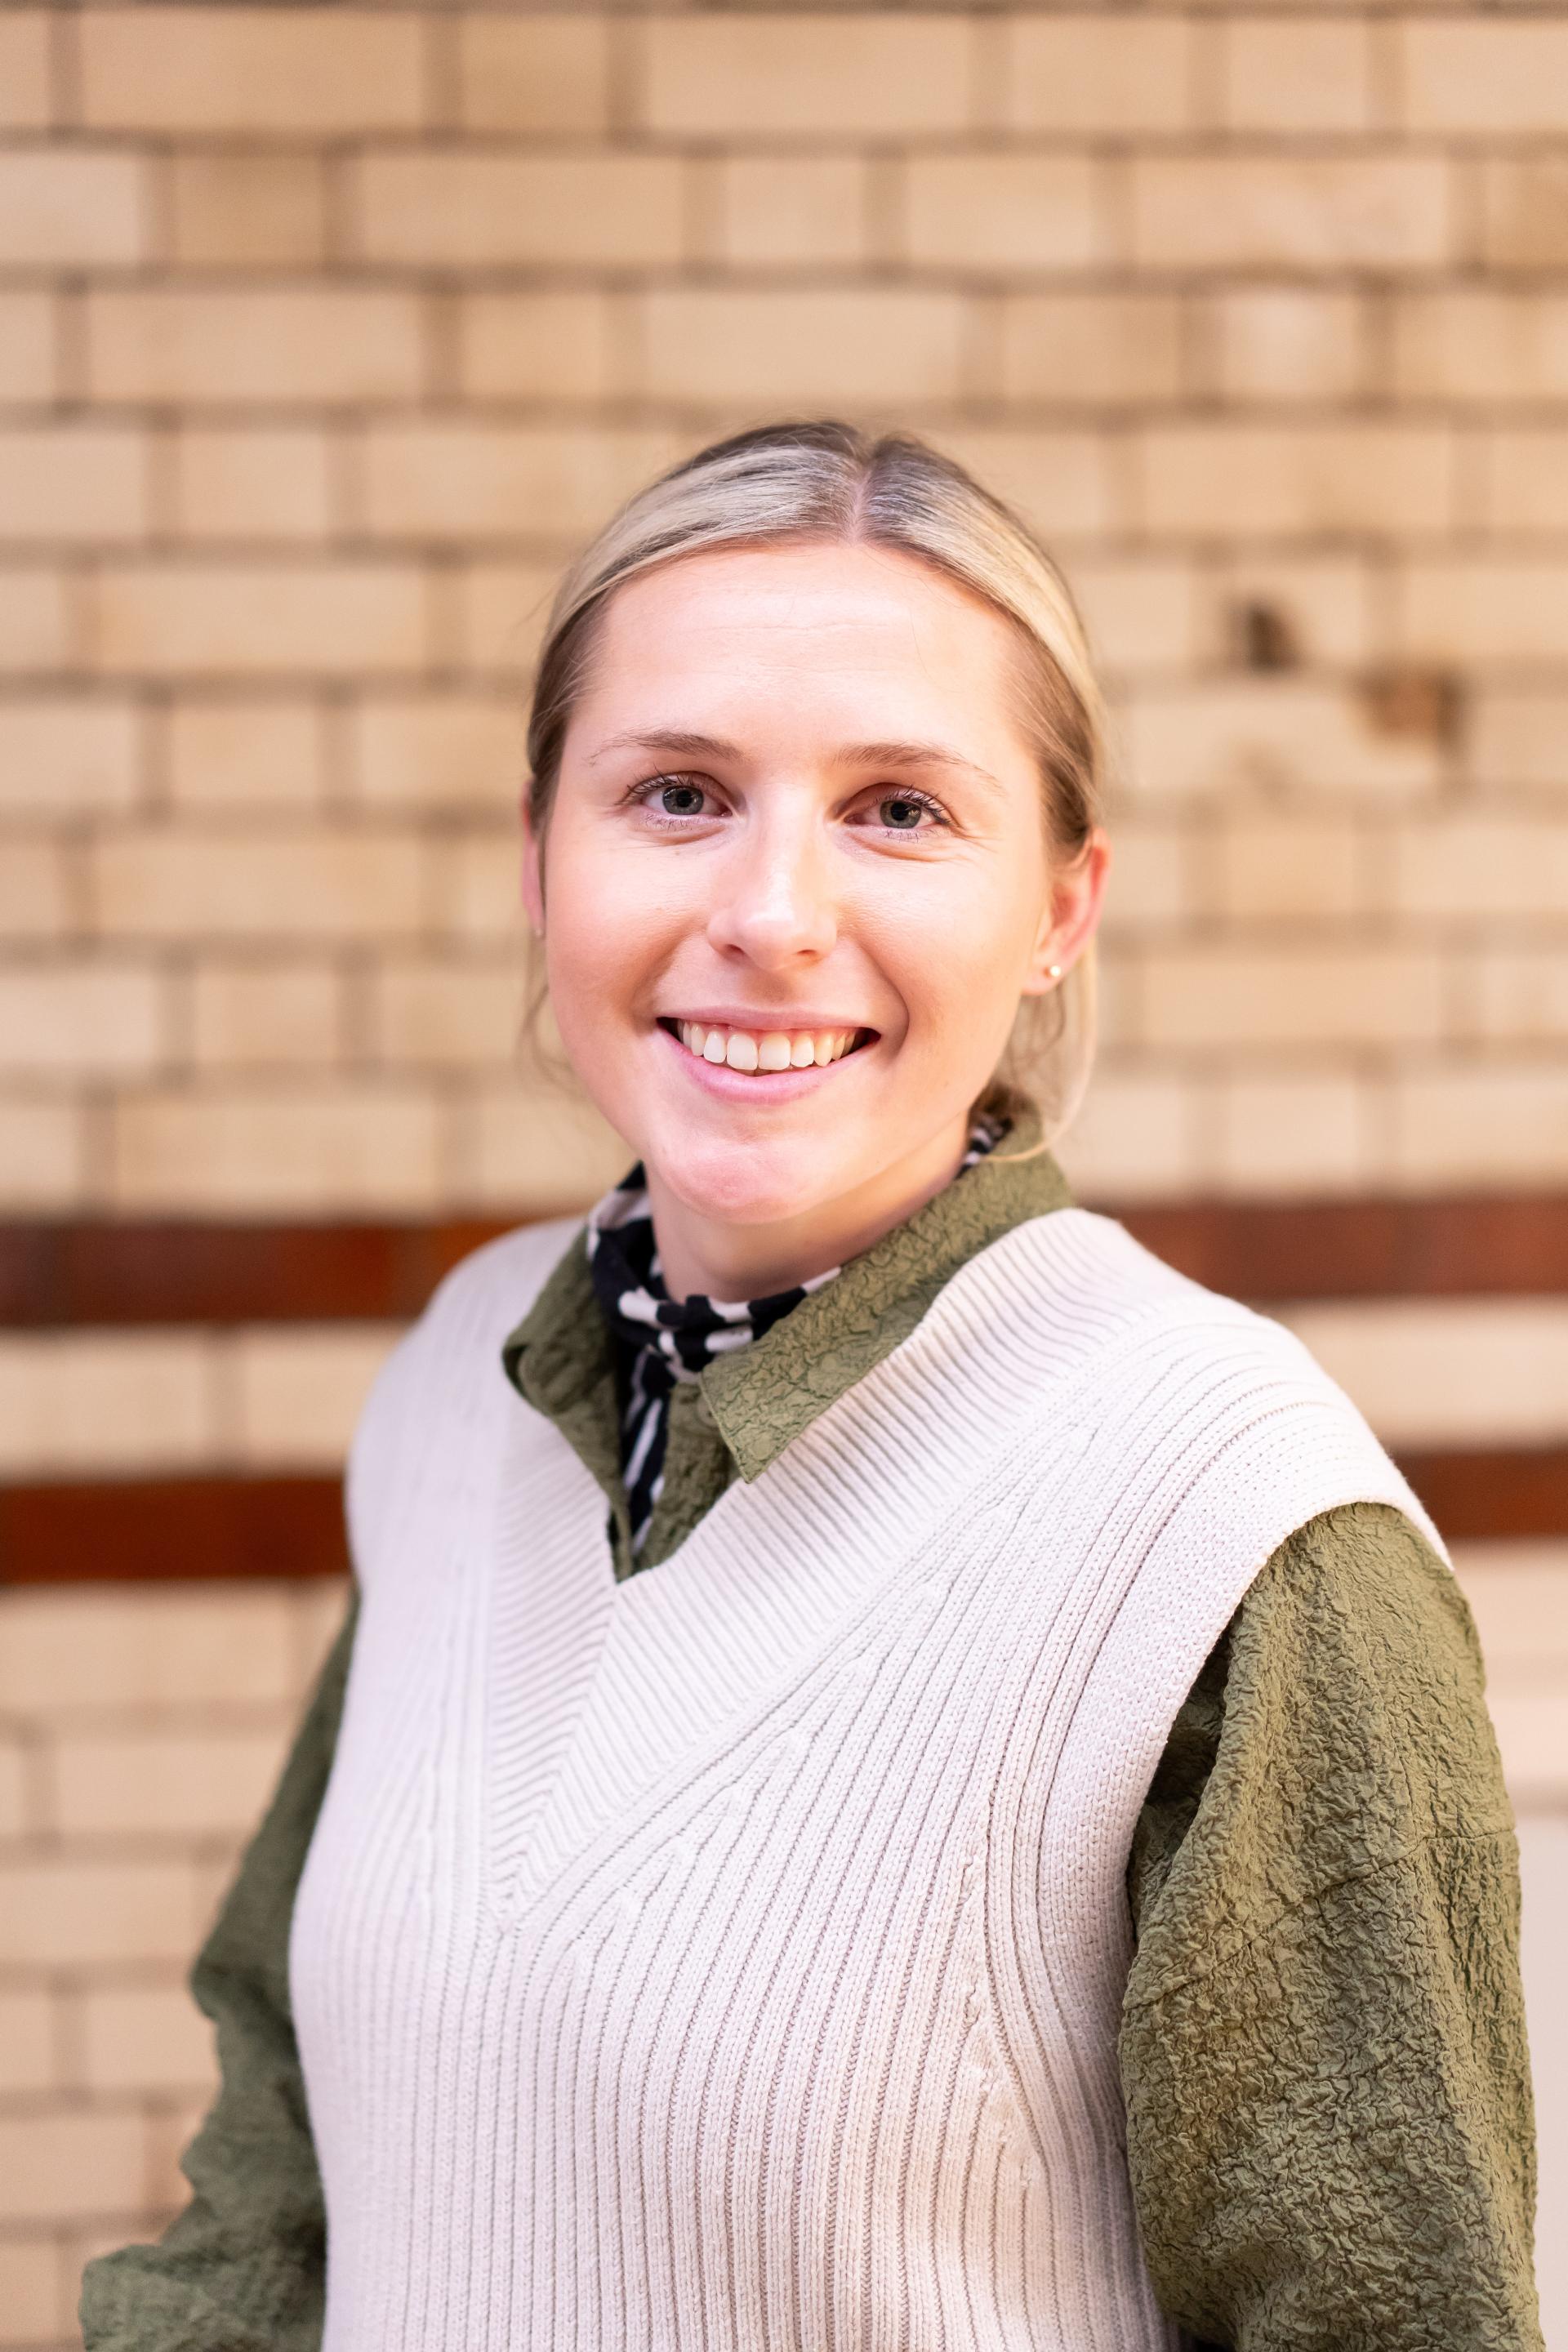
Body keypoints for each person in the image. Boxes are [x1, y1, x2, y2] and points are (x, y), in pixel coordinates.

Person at [82, 422, 1541, 2352]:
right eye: (677, 794)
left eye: (902, 811)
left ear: (1061, 909)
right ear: (540, 863)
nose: (771, 912)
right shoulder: (455, 1389)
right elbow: (282, 2164)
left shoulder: (1237, 1532)